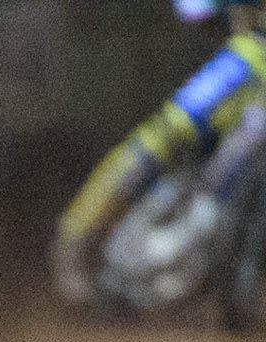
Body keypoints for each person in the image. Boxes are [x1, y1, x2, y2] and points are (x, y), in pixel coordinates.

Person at [52, 0, 266, 305]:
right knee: (165, 138)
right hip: (246, 68)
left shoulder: (240, 50)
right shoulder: (243, 57)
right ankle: (78, 240)